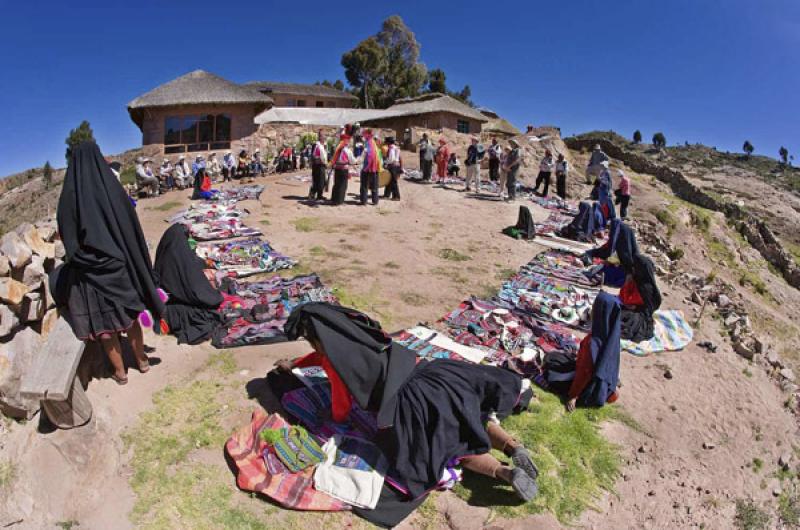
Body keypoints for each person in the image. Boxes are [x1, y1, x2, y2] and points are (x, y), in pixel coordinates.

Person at [277, 303, 540, 522]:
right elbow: (321, 359)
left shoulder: (337, 363)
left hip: (414, 401)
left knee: (451, 447)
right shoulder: (363, 334)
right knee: (471, 418)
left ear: (320, 341)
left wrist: (329, 418)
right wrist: (296, 364)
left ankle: (504, 472)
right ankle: (512, 447)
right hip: (436, 375)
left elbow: (341, 410)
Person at [50, 142, 165, 385]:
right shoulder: (111, 189)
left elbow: (67, 237)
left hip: (89, 276)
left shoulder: (70, 196)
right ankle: (142, 360)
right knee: (130, 316)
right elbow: (130, 227)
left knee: (105, 327)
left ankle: (120, 372)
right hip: (118, 269)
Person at [544, 292, 622, 412]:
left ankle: (587, 394)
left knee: (551, 363)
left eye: (595, 306)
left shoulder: (593, 343)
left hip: (588, 388)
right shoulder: (612, 336)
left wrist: (573, 396)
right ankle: (608, 389)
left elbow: (584, 373)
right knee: (560, 357)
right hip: (604, 381)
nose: (591, 309)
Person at [154, 224, 223, 345]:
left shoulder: (166, 254)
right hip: (177, 309)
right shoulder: (183, 262)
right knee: (207, 311)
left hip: (163, 303)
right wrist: (213, 290)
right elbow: (202, 295)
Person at [619, 253, 662, 343]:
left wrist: (627, 282)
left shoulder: (645, 288)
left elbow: (626, 300)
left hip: (639, 315)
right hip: (632, 307)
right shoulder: (638, 280)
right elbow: (622, 296)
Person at [329, 132, 355, 205]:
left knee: (336, 184)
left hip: (337, 169)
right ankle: (339, 201)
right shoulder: (348, 150)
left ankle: (334, 199)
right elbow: (352, 161)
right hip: (343, 169)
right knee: (342, 185)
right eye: (348, 140)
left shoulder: (337, 149)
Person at [359, 129, 382, 206]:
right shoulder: (374, 143)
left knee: (364, 185)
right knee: (374, 185)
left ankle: (364, 201)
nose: (363, 136)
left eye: (364, 134)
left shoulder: (368, 143)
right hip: (375, 168)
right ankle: (375, 201)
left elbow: (368, 155)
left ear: (367, 135)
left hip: (368, 168)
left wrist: (364, 165)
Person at [309, 131, 328, 201]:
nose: (324, 137)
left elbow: (325, 155)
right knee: (317, 181)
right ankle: (311, 195)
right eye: (323, 135)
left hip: (322, 165)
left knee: (322, 182)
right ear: (320, 136)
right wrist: (319, 160)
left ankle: (320, 196)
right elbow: (313, 156)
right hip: (317, 166)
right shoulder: (316, 145)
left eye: (325, 135)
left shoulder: (324, 145)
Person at [383, 136, 402, 201]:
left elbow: (391, 159)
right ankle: (387, 194)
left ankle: (396, 196)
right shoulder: (397, 148)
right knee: (390, 181)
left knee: (393, 182)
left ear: (388, 142)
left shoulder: (391, 148)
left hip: (392, 166)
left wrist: (385, 163)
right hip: (396, 166)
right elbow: (399, 158)